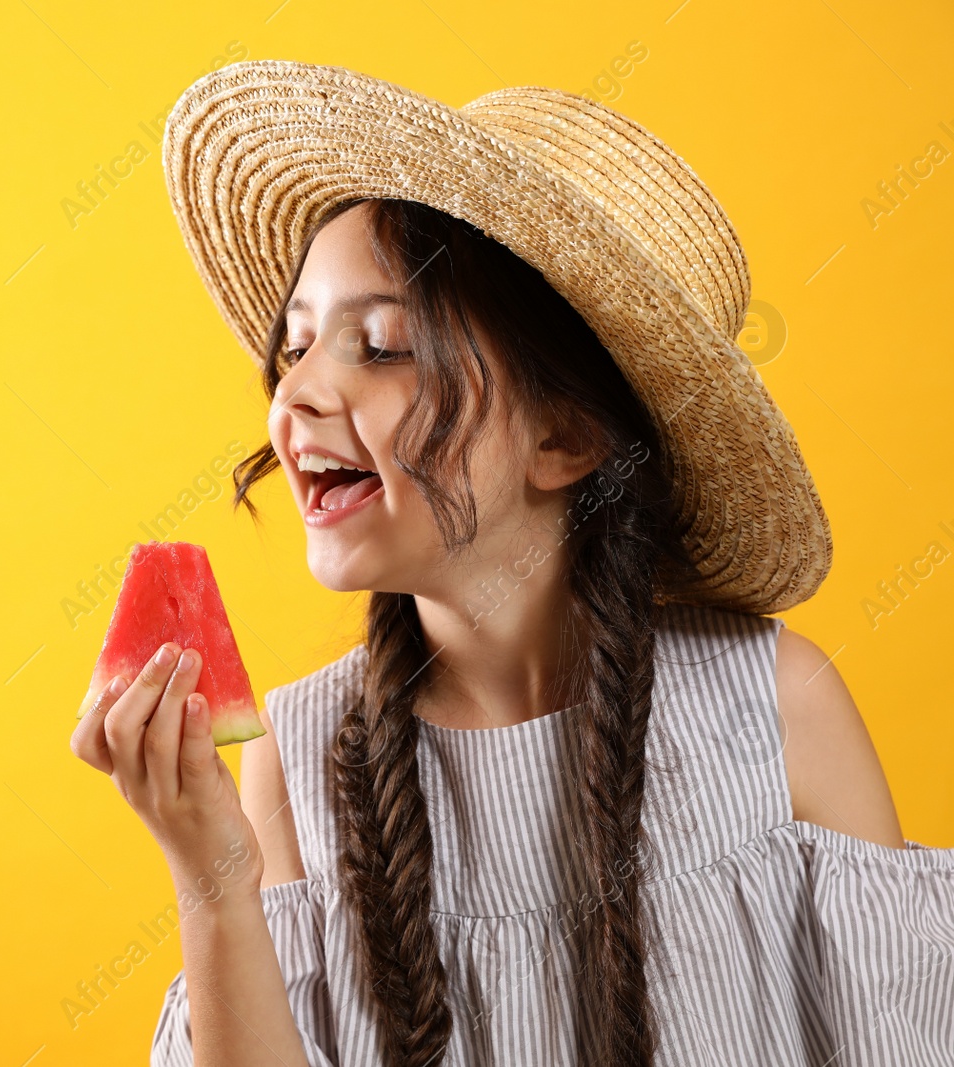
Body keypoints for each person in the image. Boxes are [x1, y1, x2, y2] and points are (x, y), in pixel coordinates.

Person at [70, 61, 954, 1066]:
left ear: (563, 441)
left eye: (384, 345)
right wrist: (213, 877)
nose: (296, 397)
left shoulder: (778, 708)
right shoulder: (297, 757)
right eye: (297, 346)